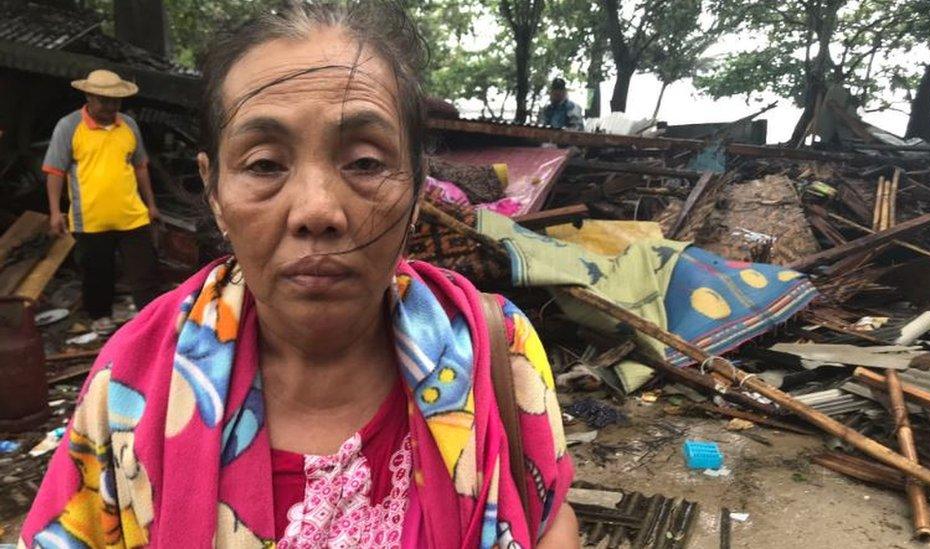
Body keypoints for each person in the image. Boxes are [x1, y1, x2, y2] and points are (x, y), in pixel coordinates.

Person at [21, 3, 577, 548]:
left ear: (416, 187)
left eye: (364, 162)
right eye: (264, 164)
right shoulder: (133, 384)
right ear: (214, 190)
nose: (317, 210)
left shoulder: (496, 350)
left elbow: (550, 520)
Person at [42, 69, 162, 333]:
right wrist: (54, 212)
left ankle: (151, 319)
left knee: (145, 271)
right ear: (88, 96)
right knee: (97, 272)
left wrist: (151, 204)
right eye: (104, 100)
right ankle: (100, 316)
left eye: (115, 101)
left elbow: (141, 166)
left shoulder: (129, 125)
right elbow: (54, 171)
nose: (110, 106)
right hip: (90, 219)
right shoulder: (69, 126)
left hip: (132, 214)